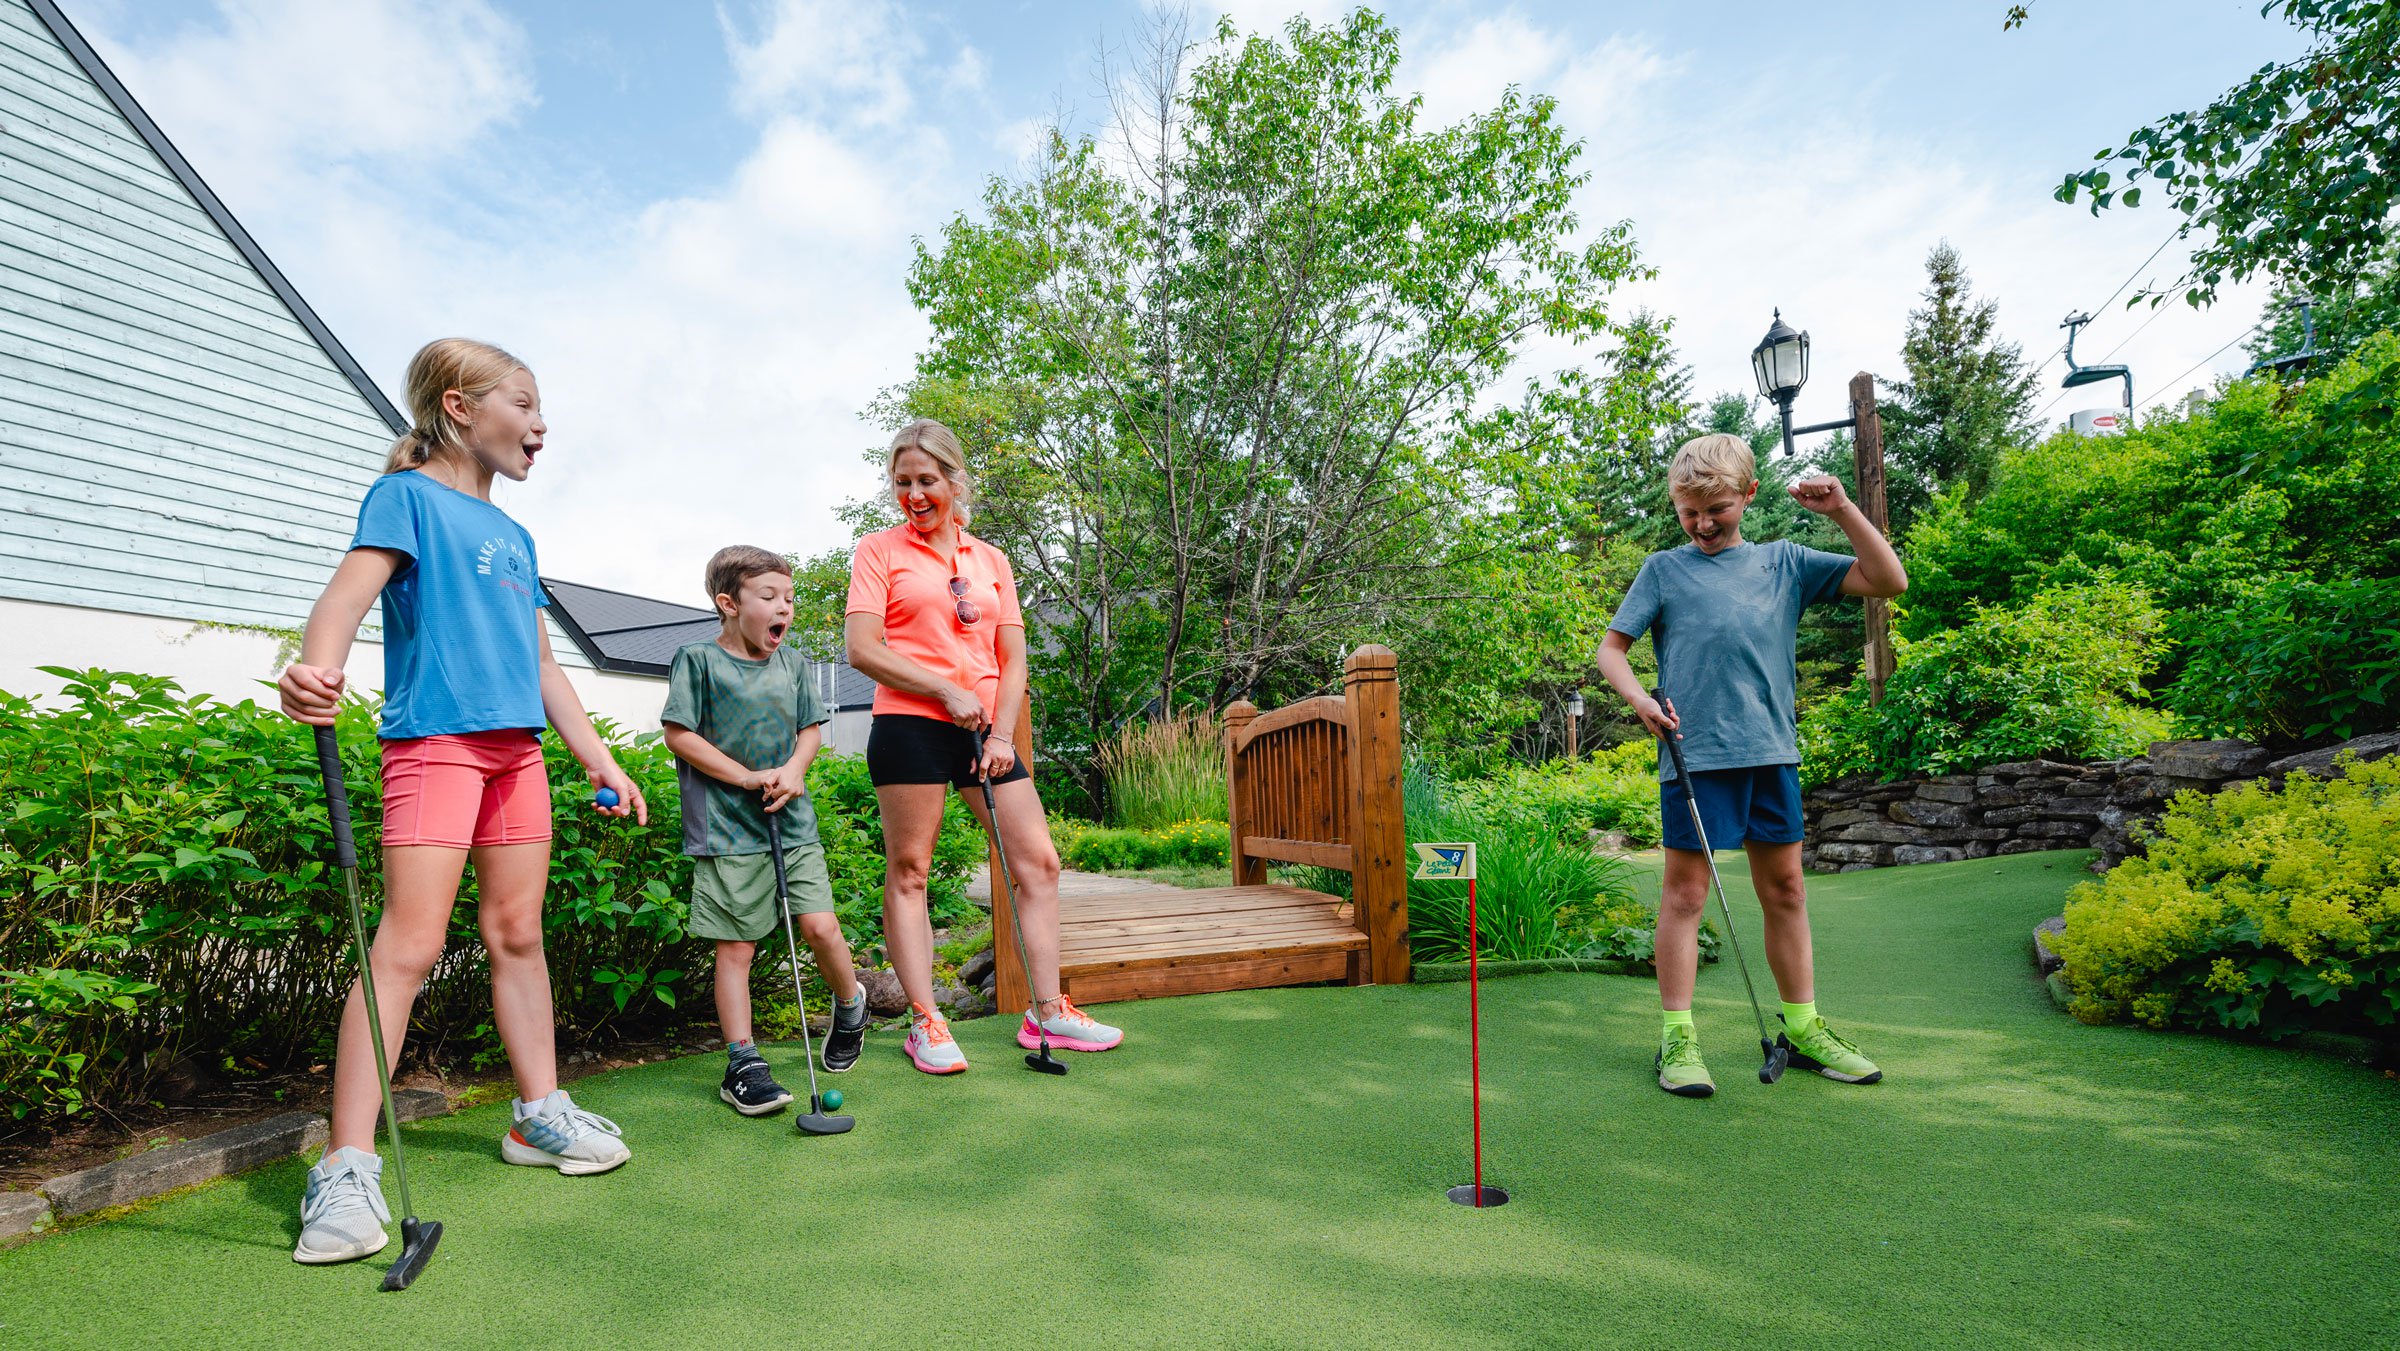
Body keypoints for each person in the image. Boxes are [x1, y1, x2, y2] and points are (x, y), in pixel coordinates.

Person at [278, 338, 646, 1265]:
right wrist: (313, 671)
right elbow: (344, 599)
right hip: (435, 746)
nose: (540, 423)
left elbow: (543, 664)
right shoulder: (406, 499)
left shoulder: (517, 538)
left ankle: (537, 1115)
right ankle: (348, 1163)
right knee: (408, 944)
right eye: (523, 404)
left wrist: (600, 757)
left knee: (519, 934)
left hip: (516, 756)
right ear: (458, 407)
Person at [1595, 432, 1908, 1098]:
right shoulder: (1662, 570)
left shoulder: (1785, 563)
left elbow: (1889, 578)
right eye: (1690, 512)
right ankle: (1677, 1037)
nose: (1704, 524)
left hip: (1771, 753)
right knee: (1685, 896)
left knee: (1787, 890)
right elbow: (1612, 649)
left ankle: (1803, 1027)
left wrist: (1843, 511)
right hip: (1695, 754)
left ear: (1749, 496)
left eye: (1718, 510)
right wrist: (1640, 700)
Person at [843, 418, 1123, 1074]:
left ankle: (1047, 1010)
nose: (914, 492)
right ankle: (925, 1019)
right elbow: (862, 648)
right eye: (902, 481)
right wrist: (942, 688)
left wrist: (1000, 731)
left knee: (1040, 864)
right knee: (910, 869)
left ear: (954, 480)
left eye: (927, 480)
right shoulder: (878, 551)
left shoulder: (991, 559)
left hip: (983, 730)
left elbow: (1013, 658)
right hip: (910, 723)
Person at [660, 545, 868, 1114]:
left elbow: (810, 732)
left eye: (790, 598)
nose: (785, 608)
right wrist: (745, 777)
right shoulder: (697, 660)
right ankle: (743, 1063)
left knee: (821, 927)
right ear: (729, 603)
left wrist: (793, 773)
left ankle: (851, 1004)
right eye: (770, 597)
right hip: (727, 829)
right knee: (738, 948)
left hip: (790, 820)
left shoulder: (793, 663)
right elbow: (680, 733)